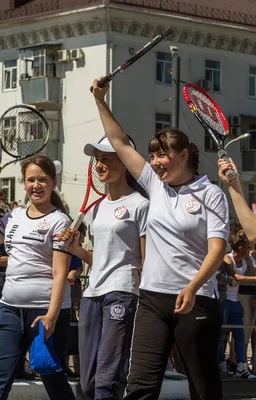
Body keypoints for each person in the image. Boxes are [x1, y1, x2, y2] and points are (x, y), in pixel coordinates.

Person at [92, 78, 229, 400]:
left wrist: (193, 287)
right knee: (139, 384)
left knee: (203, 384)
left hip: (195, 298)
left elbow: (218, 248)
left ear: (184, 155)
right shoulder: (155, 184)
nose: (155, 162)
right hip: (153, 299)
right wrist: (100, 100)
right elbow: (121, 144)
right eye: (152, 157)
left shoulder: (211, 193)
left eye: (163, 156)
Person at [0, 155, 75, 400]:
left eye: (42, 180)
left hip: (44, 313)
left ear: (54, 182)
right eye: (30, 180)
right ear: (23, 183)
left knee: (53, 378)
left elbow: (60, 274)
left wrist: (51, 315)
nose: (36, 185)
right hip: (9, 309)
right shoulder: (14, 216)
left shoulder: (60, 221)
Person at [60, 137, 149, 399]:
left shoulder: (141, 205)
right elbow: (100, 256)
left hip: (122, 292)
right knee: (87, 383)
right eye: (97, 159)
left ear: (124, 163)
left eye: (106, 158)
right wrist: (76, 249)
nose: (99, 165)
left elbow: (147, 258)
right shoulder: (96, 209)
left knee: (105, 381)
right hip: (92, 295)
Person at [218, 231, 256, 378]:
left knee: (239, 334)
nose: (249, 248)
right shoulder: (228, 259)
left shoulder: (245, 260)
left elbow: (252, 272)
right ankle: (220, 363)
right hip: (225, 300)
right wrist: (254, 279)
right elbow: (236, 277)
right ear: (240, 247)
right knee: (222, 334)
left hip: (236, 302)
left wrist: (249, 261)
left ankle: (241, 366)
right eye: (247, 245)